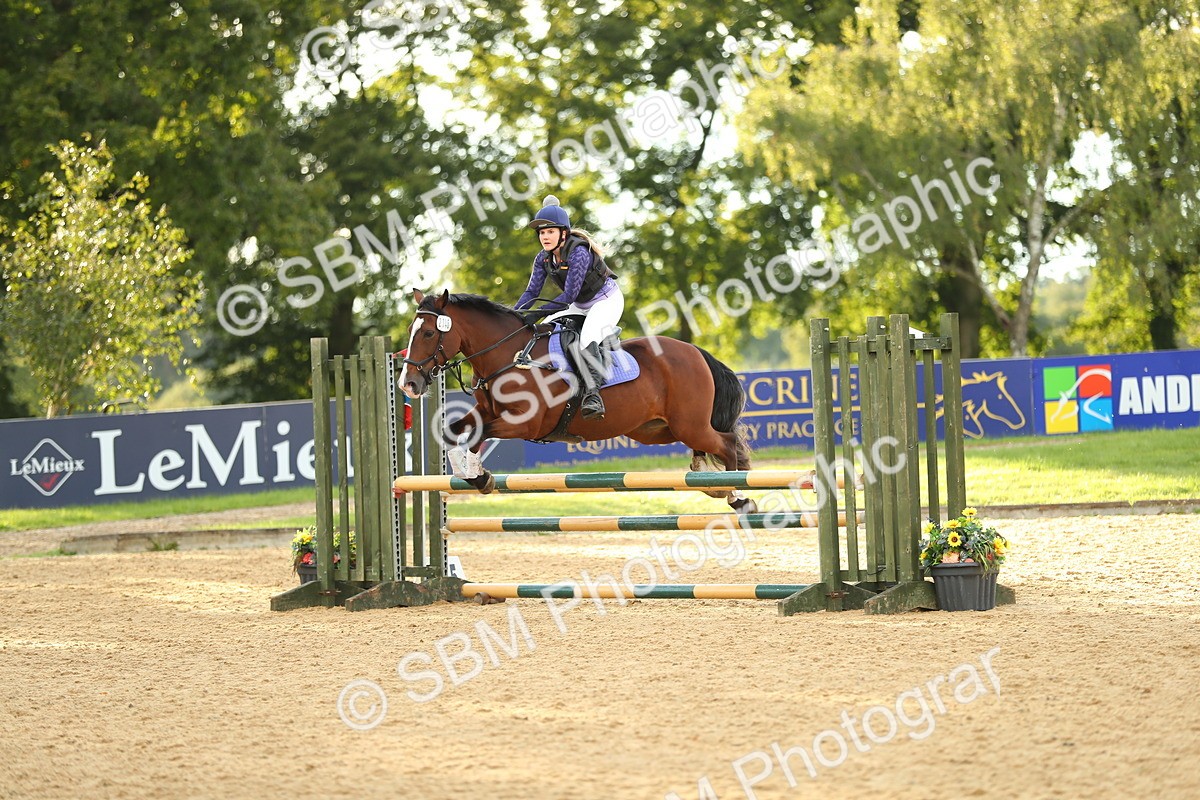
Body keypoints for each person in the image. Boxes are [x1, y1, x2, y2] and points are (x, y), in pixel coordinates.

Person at [515, 195, 623, 420]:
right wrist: (514, 315)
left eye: (550, 232)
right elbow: (531, 293)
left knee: (587, 339)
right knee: (544, 329)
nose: (545, 237)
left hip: (606, 301)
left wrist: (537, 313)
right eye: (542, 233)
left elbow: (568, 296)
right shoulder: (543, 259)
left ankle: (593, 395)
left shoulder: (579, 252)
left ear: (563, 233)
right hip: (579, 304)